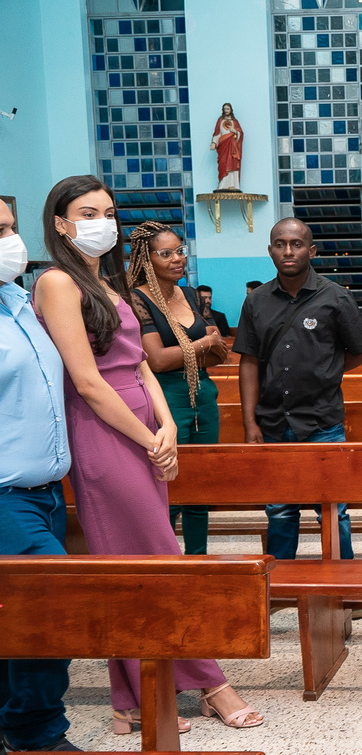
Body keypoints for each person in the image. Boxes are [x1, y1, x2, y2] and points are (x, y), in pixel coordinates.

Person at [34, 175, 262, 733]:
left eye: (108, 212)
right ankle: (211, 684)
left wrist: (165, 427)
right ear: (61, 224)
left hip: (141, 427)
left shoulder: (107, 283)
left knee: (131, 558)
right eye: (88, 213)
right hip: (104, 435)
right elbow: (87, 382)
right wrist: (146, 438)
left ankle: (129, 699)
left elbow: (137, 363)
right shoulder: (58, 283)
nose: (102, 223)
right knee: (154, 556)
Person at [234, 217, 362, 561]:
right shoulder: (257, 301)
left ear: (310, 250)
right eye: (280, 244)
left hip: (322, 422)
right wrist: (250, 423)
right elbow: (249, 362)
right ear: (270, 251)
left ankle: (344, 587)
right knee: (280, 510)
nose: (288, 251)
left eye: (296, 244)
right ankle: (280, 583)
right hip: (273, 424)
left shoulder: (335, 297)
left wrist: (328, 371)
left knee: (333, 509)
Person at [0, 198, 81, 754]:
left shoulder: (22, 301)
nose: (9, 240)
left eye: (8, 227)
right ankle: (38, 731)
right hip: (5, 494)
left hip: (49, 491)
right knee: (52, 602)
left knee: (20, 612)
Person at [127, 222, 228, 554]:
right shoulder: (137, 298)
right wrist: (204, 343)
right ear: (146, 258)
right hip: (166, 401)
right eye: (166, 253)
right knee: (167, 487)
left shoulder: (190, 294)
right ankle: (167, 562)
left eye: (180, 251)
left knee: (201, 487)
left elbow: (221, 352)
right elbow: (155, 359)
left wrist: (192, 349)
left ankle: (198, 558)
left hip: (204, 397)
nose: (177, 259)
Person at [210, 103, 243, 192]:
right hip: (223, 145)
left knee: (232, 163)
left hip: (233, 146)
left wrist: (235, 131)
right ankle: (223, 184)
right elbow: (217, 133)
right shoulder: (220, 120)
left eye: (228, 109)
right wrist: (214, 142)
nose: (226, 110)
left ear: (231, 110)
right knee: (224, 163)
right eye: (225, 109)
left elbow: (240, 133)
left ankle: (233, 185)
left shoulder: (235, 122)